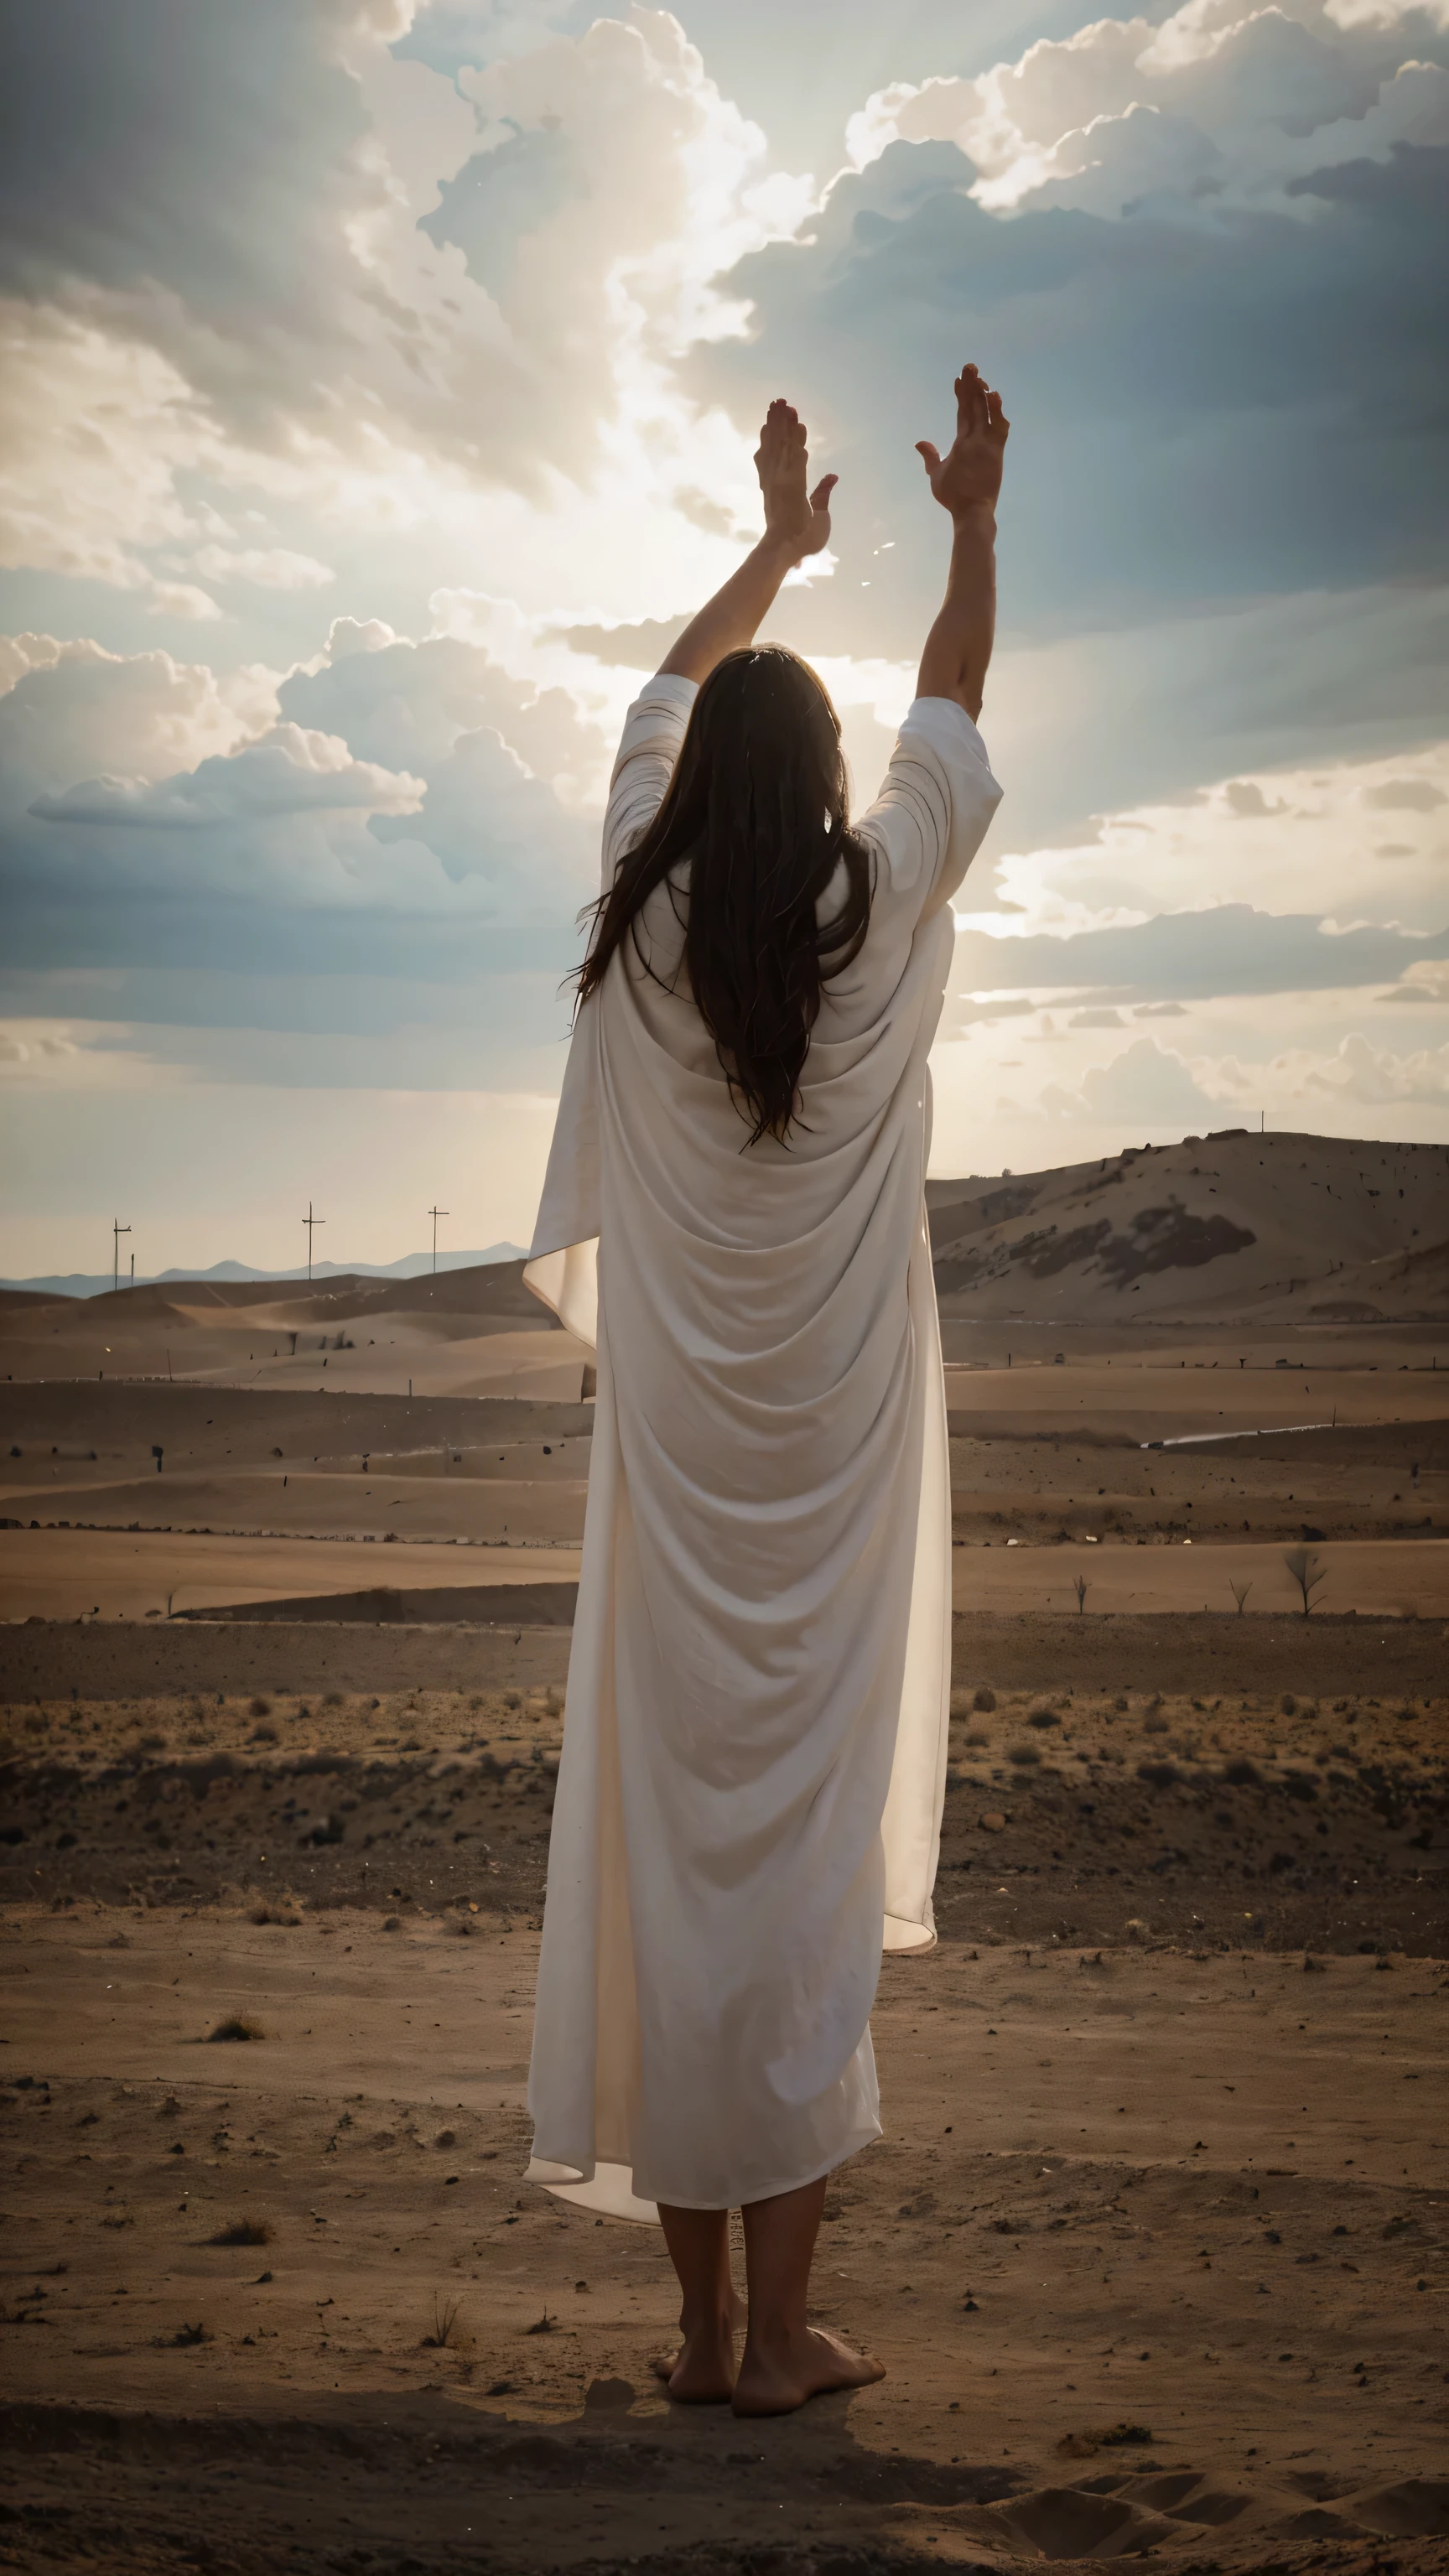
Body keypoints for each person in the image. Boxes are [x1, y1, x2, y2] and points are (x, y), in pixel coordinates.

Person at [522, 363, 1008, 2415]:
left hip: (672, 1507)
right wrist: (969, 524)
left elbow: (657, 695)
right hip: (834, 1502)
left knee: (678, 1892)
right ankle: (778, 2340)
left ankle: (710, 2333)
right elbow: (951, 722)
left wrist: (774, 548)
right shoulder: (870, 905)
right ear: (814, 794)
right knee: (794, 1901)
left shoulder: (633, 938)